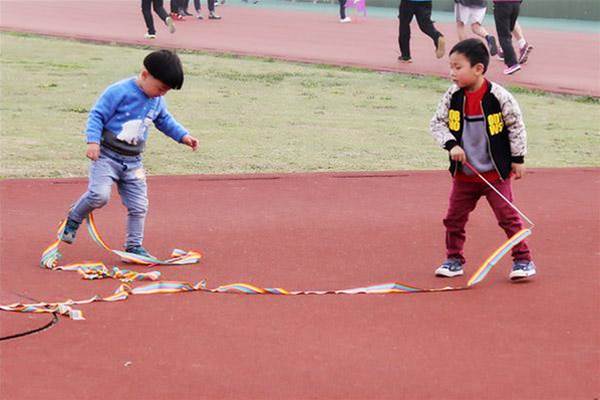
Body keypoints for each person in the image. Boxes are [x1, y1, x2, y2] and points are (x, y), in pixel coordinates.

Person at [59, 50, 200, 259]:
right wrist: (93, 142)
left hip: (133, 163)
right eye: (161, 88)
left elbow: (165, 121)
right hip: (106, 156)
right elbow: (97, 115)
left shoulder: (157, 101)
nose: (162, 94)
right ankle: (74, 217)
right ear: (145, 75)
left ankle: (134, 246)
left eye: (166, 91)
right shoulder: (119, 92)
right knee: (99, 196)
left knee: (139, 206)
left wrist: (184, 136)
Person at [429, 38, 536, 281]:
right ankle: (454, 260)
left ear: (478, 69)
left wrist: (518, 159)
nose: (452, 73)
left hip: (495, 174)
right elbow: (437, 123)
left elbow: (516, 127)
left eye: (458, 67)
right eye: (451, 67)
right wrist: (451, 144)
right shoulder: (453, 96)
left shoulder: (499, 97)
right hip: (465, 174)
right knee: (453, 218)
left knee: (508, 218)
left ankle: (523, 260)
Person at [492, 0, 523, 75]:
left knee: (504, 36)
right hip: (516, 5)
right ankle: (503, 51)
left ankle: (512, 64)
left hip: (502, 4)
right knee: (508, 31)